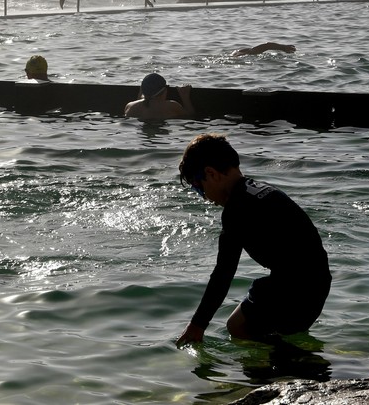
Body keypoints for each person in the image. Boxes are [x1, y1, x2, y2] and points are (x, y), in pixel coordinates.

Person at [175, 133, 331, 346]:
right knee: (254, 327)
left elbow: (223, 273)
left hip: (295, 287)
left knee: (237, 326)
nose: (205, 198)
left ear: (211, 173)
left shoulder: (236, 209)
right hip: (316, 282)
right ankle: (289, 361)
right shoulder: (260, 189)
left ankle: (298, 360)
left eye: (198, 188)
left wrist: (197, 324)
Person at [124, 73, 194, 120]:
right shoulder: (171, 106)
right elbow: (190, 116)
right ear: (164, 91)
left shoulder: (130, 106)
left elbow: (145, 103)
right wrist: (185, 97)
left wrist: (141, 92)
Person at [231, 42, 296, 57]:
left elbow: (266, 46)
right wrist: (283, 48)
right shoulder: (244, 53)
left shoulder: (237, 52)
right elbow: (267, 46)